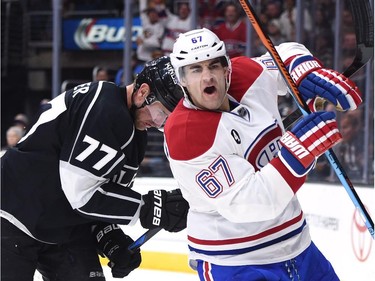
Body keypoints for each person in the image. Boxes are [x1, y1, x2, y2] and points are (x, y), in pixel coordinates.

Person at [164, 28, 362, 280]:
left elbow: (285, 53)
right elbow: (252, 204)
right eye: (196, 69)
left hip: (298, 245)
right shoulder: (186, 133)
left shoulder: (246, 74)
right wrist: (300, 152)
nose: (207, 77)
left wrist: (305, 72)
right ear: (182, 79)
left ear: (227, 69)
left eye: (214, 66)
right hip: (236, 261)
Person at [1, 56, 188, 281]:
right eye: (162, 114)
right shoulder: (105, 107)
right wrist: (150, 208)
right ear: (143, 92)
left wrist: (109, 238)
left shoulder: (136, 137)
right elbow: (81, 194)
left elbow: (101, 196)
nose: (159, 124)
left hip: (64, 229)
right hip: (13, 214)